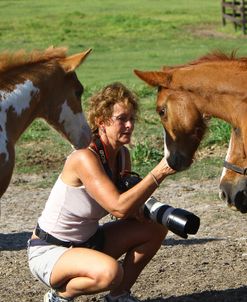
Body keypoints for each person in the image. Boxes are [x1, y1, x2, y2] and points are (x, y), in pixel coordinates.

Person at [27, 82, 176, 302]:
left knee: (155, 229)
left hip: (90, 242)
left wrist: (149, 211)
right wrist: (160, 171)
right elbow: (118, 207)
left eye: (132, 119)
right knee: (111, 273)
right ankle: (59, 296)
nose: (129, 125)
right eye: (121, 119)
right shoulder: (84, 157)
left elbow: (125, 208)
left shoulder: (122, 155)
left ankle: (119, 295)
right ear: (101, 122)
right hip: (51, 250)